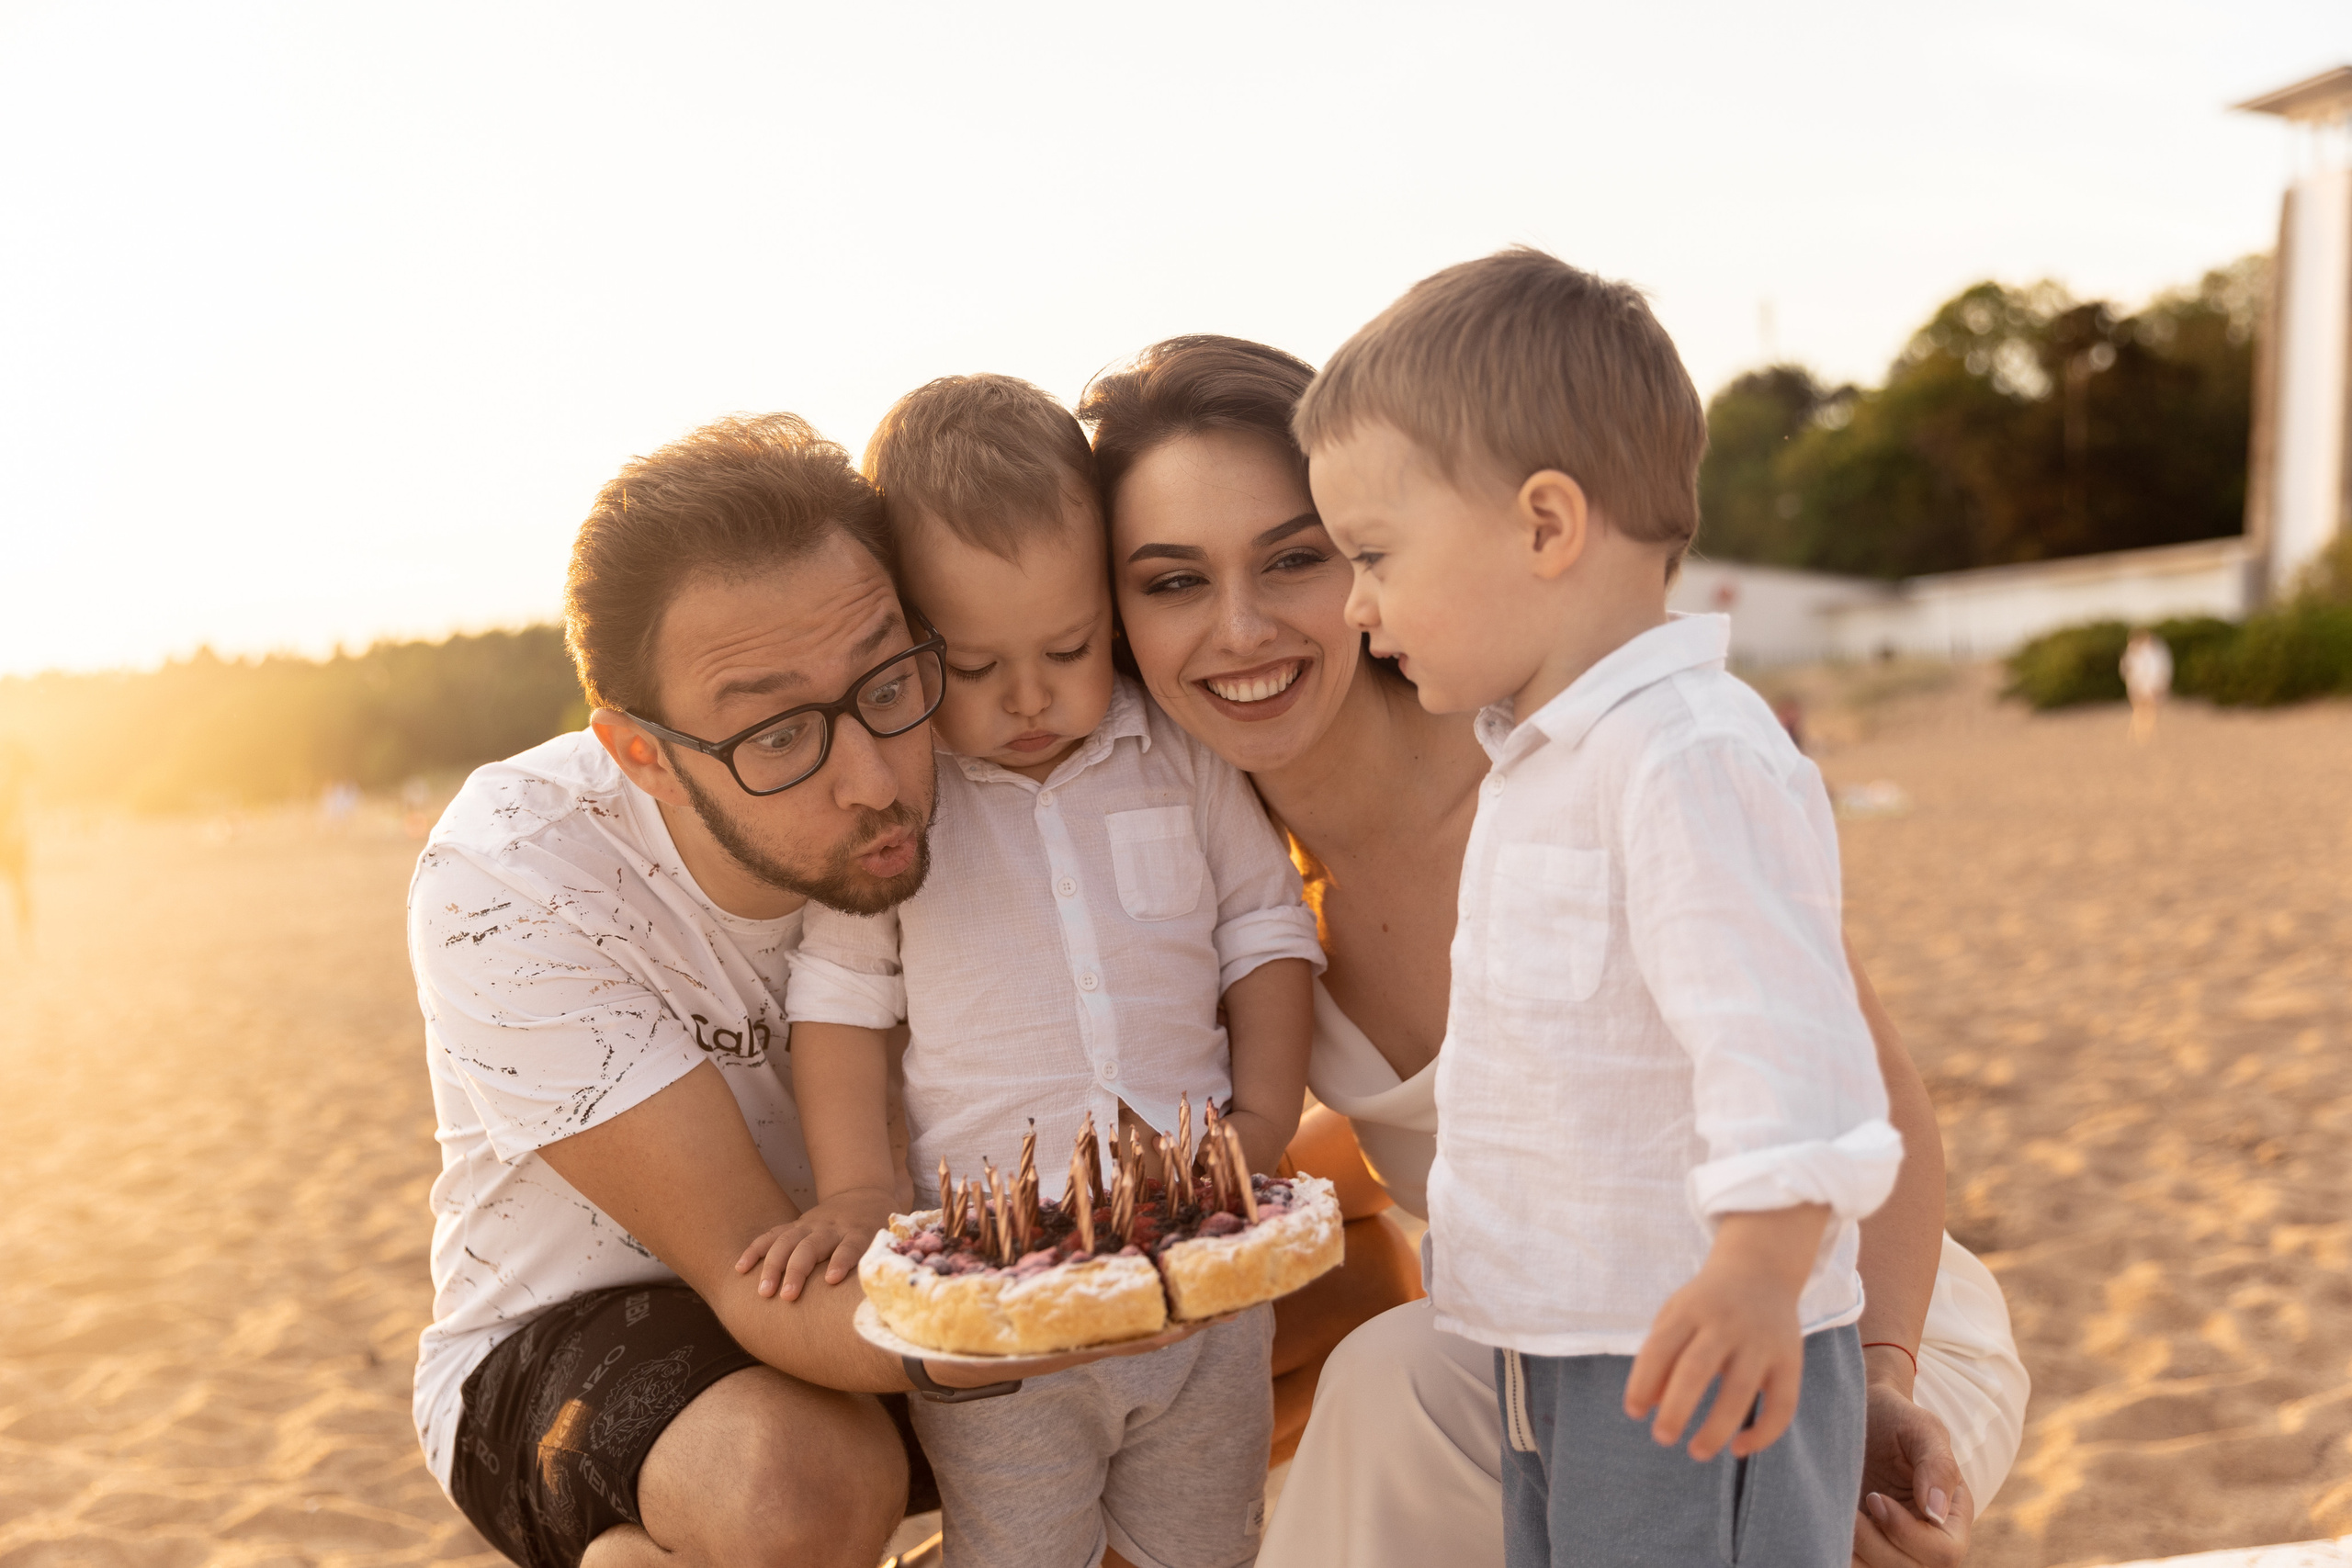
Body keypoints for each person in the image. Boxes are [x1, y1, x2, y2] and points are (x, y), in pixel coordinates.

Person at [1081, 333, 2030, 1568]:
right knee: (1386, 1375)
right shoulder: (1238, 890)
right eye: (1172, 581)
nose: (1242, 627)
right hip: (1565, 1350)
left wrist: (1875, 1379)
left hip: (1827, 1314)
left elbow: (1866, 1101)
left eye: (1297, 557)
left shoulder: (1570, 765)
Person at [407, 413, 1195, 1568]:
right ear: (642, 754)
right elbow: (744, 1269)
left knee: (1336, 1295)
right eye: (778, 736)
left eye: (886, 680)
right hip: (599, 1326)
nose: (876, 782)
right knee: (796, 1483)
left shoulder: (995, 739)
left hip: (928, 1260)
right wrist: (1064, 1318)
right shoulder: (516, 869)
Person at [1298, 248, 1900, 1565]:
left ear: (1546, 524)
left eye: (1376, 553)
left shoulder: (1687, 754)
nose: (1355, 604)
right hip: (1562, 1338)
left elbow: (1784, 1046)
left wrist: (1756, 1268)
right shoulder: (1546, 759)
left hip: (1693, 1345)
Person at [752, 375, 1324, 1568]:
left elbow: (1266, 928)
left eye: (1067, 647)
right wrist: (857, 1189)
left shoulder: (1177, 754)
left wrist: (1265, 1114)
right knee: (1017, 1546)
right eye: (970, 664)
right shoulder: (902, 810)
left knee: (1205, 1540)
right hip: (993, 1288)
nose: (1027, 696)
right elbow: (842, 1005)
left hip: (1198, 1260)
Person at [2121, 629, 2172, 744]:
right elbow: (2130, 670)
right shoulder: (2136, 653)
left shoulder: (2154, 652)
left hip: (2147, 684)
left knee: (2148, 708)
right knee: (2142, 708)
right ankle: (2142, 731)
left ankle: (2144, 731)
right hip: (2141, 684)